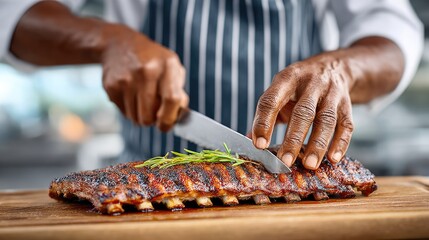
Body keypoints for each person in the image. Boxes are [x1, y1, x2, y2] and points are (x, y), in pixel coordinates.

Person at [0, 0, 423, 170]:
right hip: (145, 194)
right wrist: (105, 39)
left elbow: (392, 32)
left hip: (287, 190)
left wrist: (342, 69)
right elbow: (13, 16)